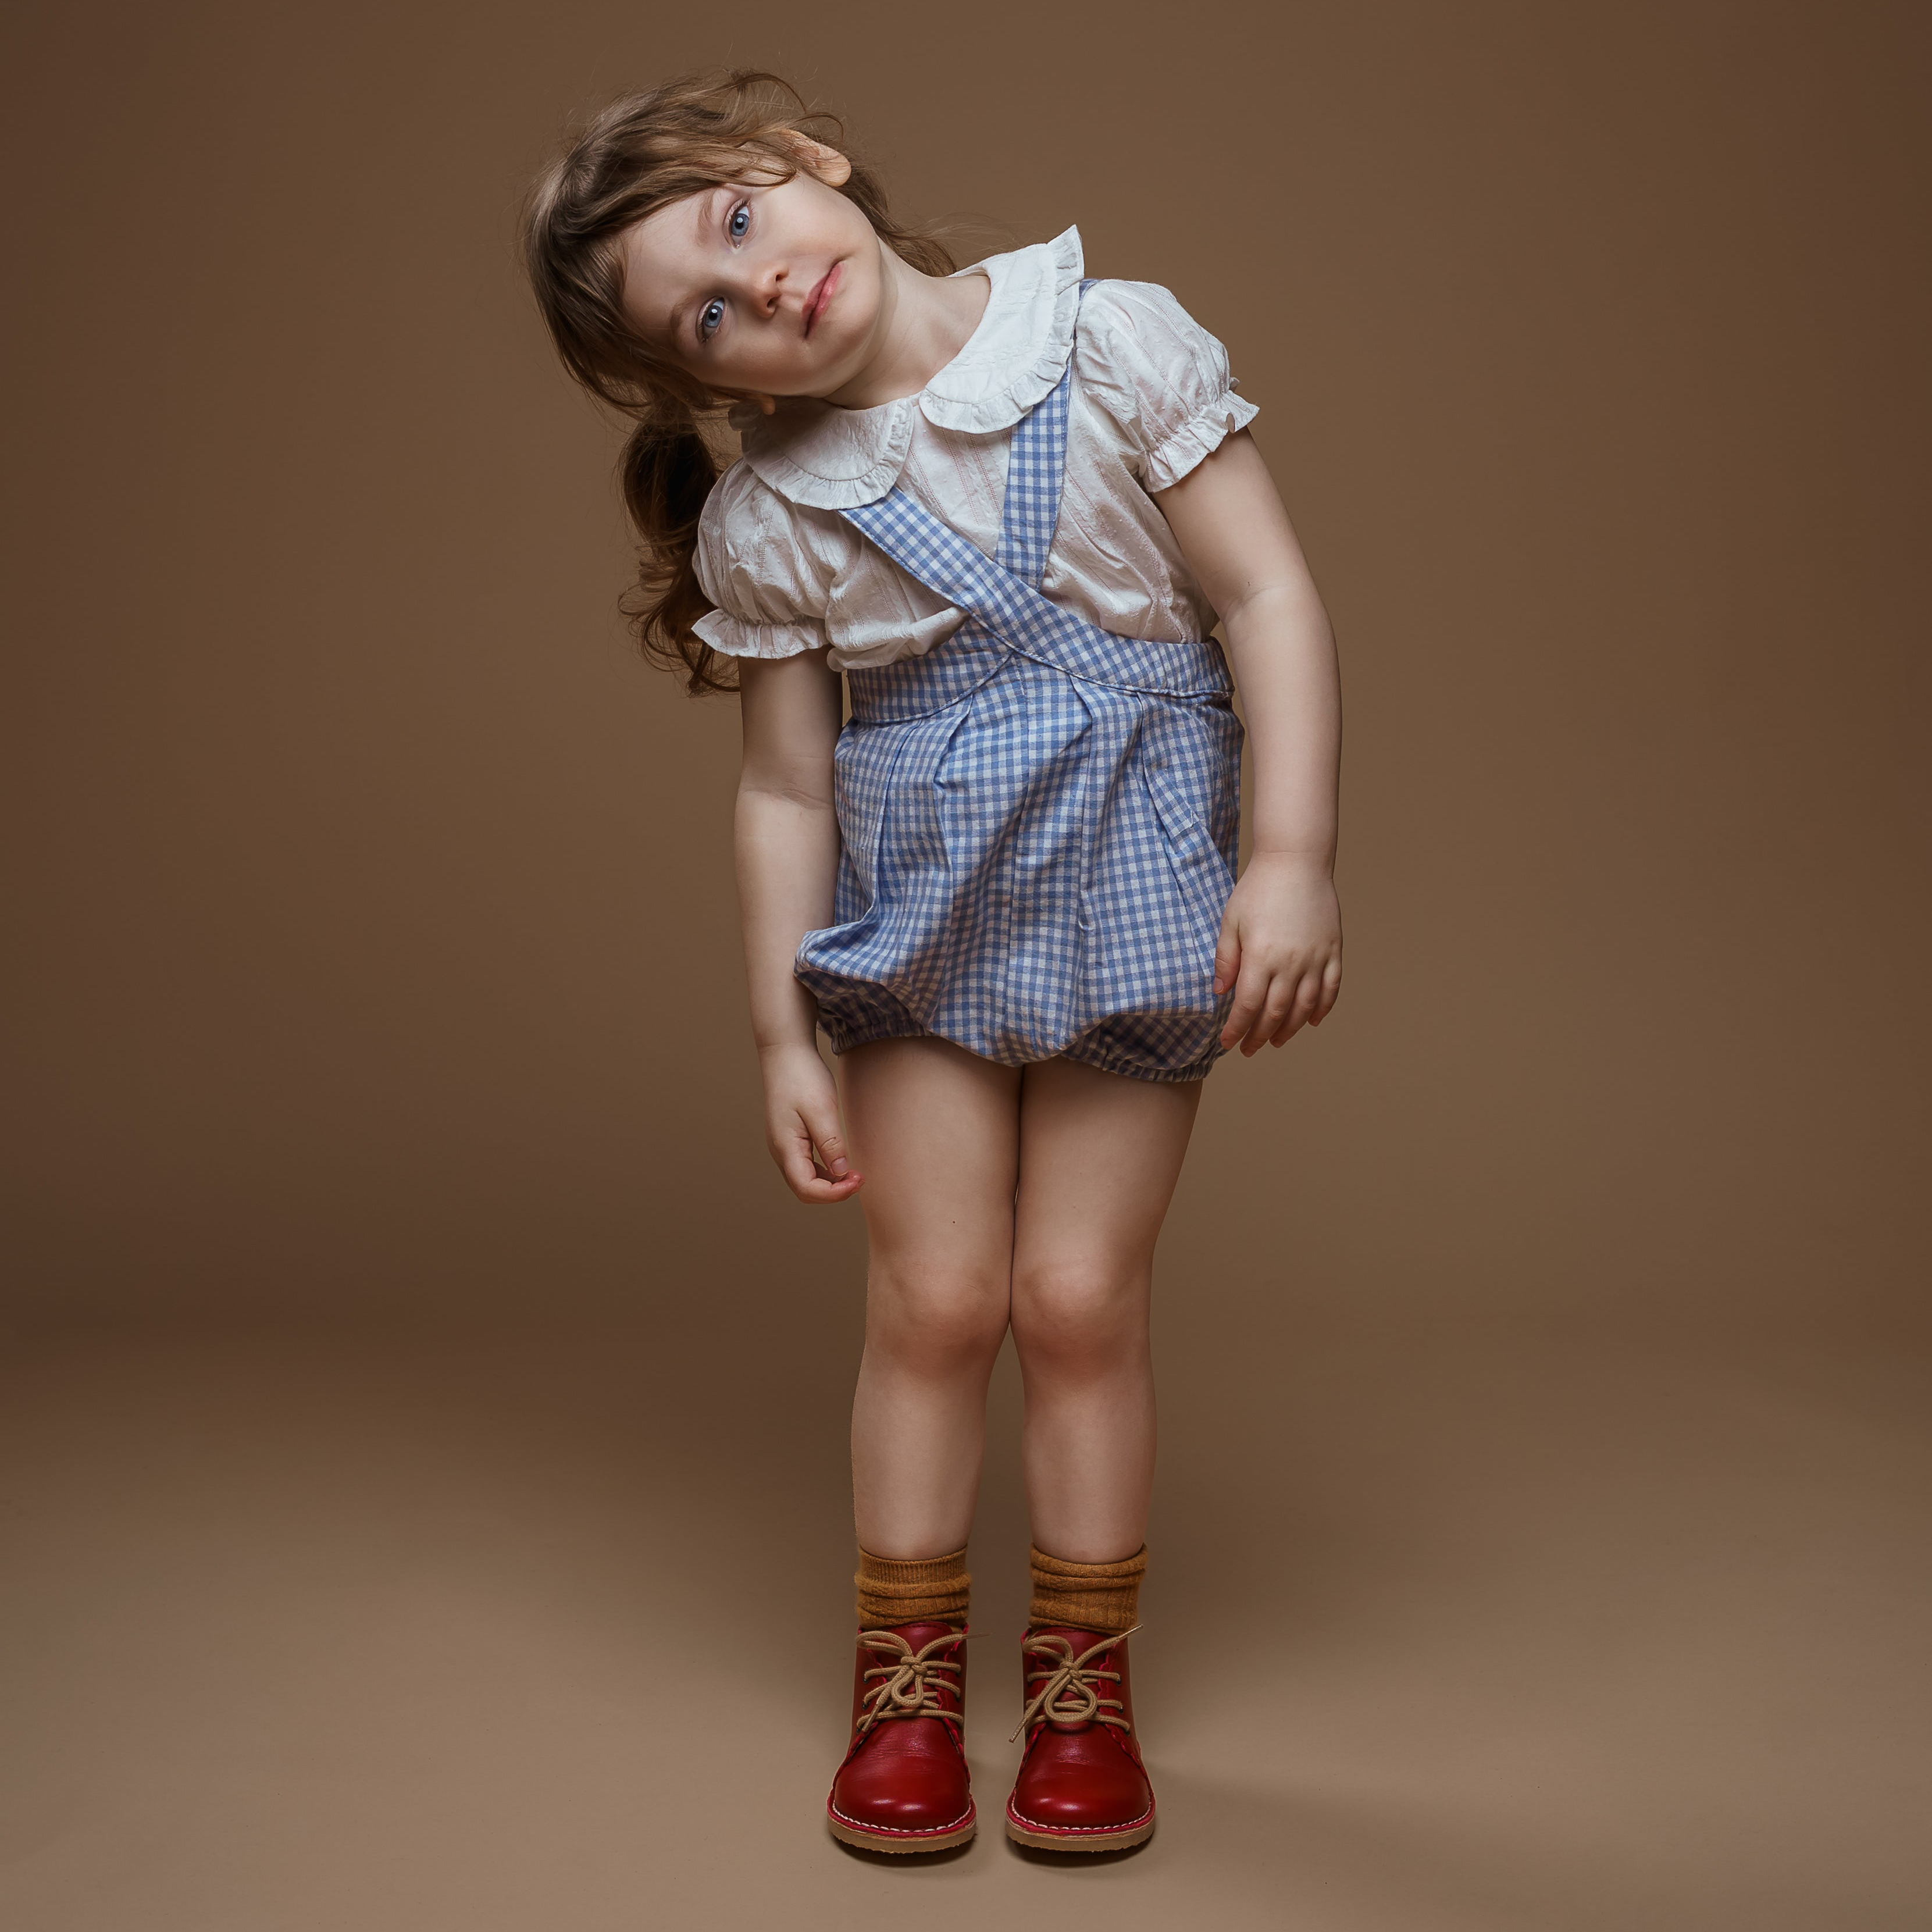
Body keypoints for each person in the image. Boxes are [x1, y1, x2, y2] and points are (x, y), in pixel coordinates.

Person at [523, 70, 1342, 1855]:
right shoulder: (780, 517)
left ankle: (1080, 1686)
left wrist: (1289, 859)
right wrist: (781, 1032)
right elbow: (782, 788)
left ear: (801, 162)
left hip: (1135, 903)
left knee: (1074, 1300)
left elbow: (1269, 598)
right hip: (922, 930)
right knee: (939, 1300)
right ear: (710, 387)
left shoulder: (1111, 346)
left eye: (738, 228)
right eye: (708, 320)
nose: (760, 293)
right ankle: (901, 1685)